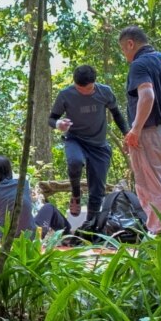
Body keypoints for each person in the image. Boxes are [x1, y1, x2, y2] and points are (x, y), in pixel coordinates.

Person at [118, 25, 161, 235]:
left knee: (152, 187)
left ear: (130, 44)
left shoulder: (139, 65)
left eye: (124, 50)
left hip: (148, 133)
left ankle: (160, 236)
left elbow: (147, 96)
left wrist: (136, 129)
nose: (125, 56)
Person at [49, 64, 129, 221]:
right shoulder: (66, 95)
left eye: (88, 89)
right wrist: (59, 124)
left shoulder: (104, 92)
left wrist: (127, 133)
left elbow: (117, 114)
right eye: (80, 89)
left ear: (94, 82)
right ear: (75, 84)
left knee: (97, 190)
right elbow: (51, 118)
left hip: (99, 145)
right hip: (75, 139)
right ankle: (76, 194)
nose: (84, 92)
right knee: (75, 162)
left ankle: (91, 227)